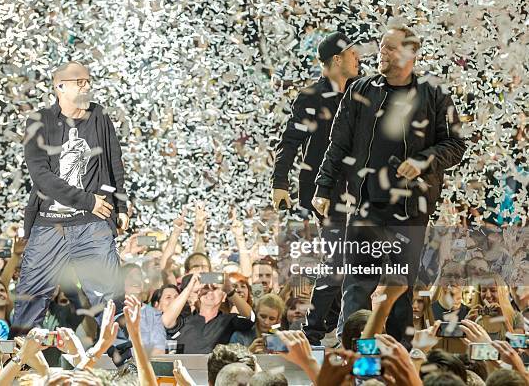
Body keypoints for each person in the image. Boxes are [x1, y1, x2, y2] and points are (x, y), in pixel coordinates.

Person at [313, 24, 466, 343]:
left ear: (410, 53)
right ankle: (352, 353)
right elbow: (338, 143)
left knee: (400, 291)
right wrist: (323, 187)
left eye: (390, 47)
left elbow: (455, 145)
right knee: (356, 285)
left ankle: (399, 357)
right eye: (381, 46)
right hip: (366, 205)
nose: (381, 52)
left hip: (410, 209)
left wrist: (424, 160)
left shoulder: (435, 94)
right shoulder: (360, 91)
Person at [15, 61, 130, 335]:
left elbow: (115, 163)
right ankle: (20, 364)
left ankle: (126, 362)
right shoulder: (39, 121)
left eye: (88, 81)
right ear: (60, 87)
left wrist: (122, 205)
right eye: (80, 82)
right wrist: (87, 200)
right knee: (30, 297)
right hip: (49, 224)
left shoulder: (99, 117)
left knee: (109, 299)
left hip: (92, 224)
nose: (86, 86)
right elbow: (41, 176)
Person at [271, 31, 360, 346]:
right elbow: (290, 141)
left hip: (358, 191)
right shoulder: (310, 97)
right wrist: (280, 182)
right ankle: (312, 333)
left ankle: (332, 327)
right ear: (337, 59)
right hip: (326, 193)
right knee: (338, 259)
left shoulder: (363, 92)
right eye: (352, 54)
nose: (358, 59)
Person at [173, 278, 254, 353]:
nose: (210, 292)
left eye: (215, 288)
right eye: (206, 288)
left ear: (224, 297)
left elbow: (251, 318)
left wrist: (231, 291)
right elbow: (166, 321)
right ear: (199, 293)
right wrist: (189, 289)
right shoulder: (184, 320)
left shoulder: (230, 320)